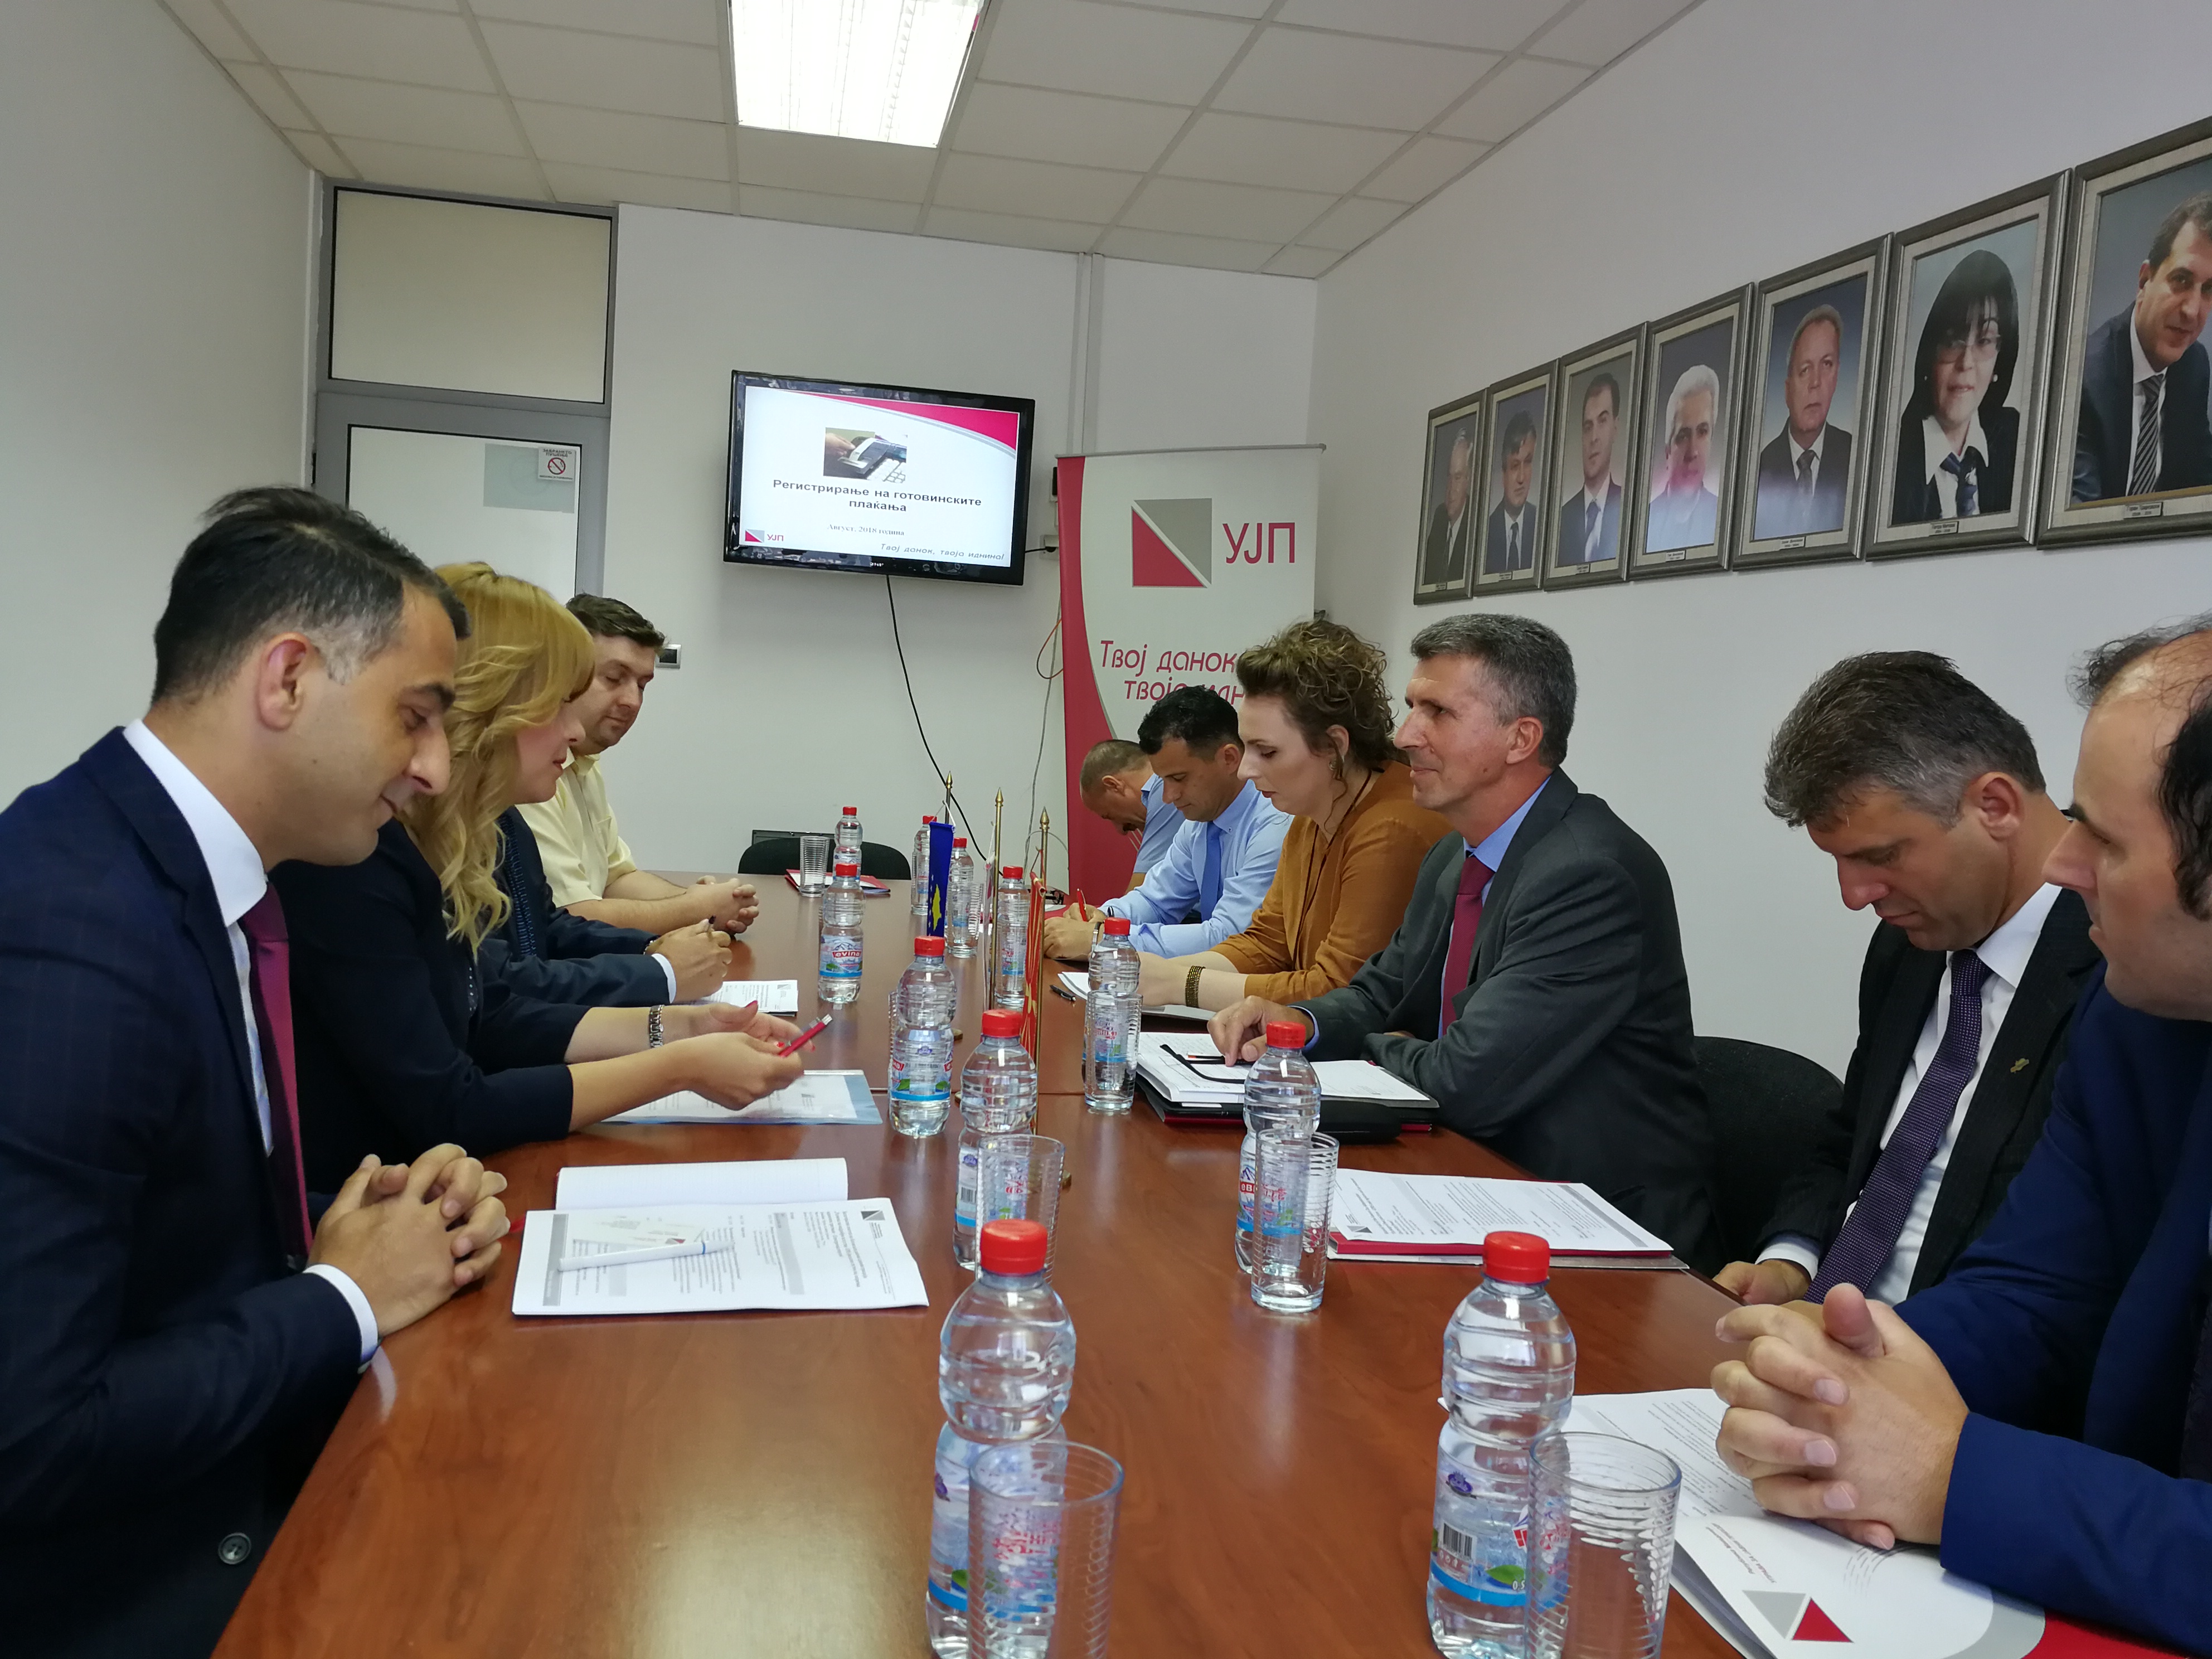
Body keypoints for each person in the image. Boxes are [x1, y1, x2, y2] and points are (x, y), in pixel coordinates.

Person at [0, 489, 510, 1658]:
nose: (435, 769)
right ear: (286, 681)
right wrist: (343, 1296)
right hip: (131, 1583)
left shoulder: (180, 872)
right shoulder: (75, 939)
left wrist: (355, 1228)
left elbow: (153, 1237)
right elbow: (31, 1437)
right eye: (415, 719)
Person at [1711, 614, 2212, 1652]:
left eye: (2107, 841)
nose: (2064, 863)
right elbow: (2041, 1288)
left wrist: (1950, 1475)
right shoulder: (2145, 1013)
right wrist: (1835, 1370)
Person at [1211, 615, 1723, 1264]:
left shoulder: (1587, 875)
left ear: (1520, 738)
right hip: (1477, 1184)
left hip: (1600, 1229)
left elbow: (1463, 1083)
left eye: (1437, 713)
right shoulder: (1454, 856)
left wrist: (1378, 1047)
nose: (1404, 736)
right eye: (1410, 708)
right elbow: (1378, 994)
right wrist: (1299, 1024)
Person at [276, 565, 805, 1190]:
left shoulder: (437, 843)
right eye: (557, 705)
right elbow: (452, 1106)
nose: (575, 730)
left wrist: (683, 1027)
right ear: (489, 707)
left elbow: (493, 1015)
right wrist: (679, 1066)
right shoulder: (358, 859)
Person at [1714, 653, 2097, 1306]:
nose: (1854, 895)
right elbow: (1852, 1139)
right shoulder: (1909, 945)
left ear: (1995, 806)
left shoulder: (2116, 972)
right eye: (1839, 862)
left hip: (1957, 1344)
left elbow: (2076, 1263)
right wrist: (1790, 1260)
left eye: (1880, 856)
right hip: (1823, 1322)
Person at [1128, 620, 1452, 1012]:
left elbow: (1339, 991)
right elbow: (1266, 943)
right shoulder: (1308, 815)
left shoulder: (1390, 830)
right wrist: (1154, 974)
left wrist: (1181, 983)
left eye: (1267, 752)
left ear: (1334, 746)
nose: (1245, 770)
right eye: (1246, 748)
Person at [518, 593, 758, 937]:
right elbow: (573, 916)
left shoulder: (586, 760)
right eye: (614, 678)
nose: (633, 701)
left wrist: (703, 901)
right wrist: (698, 909)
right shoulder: (529, 772)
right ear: (564, 675)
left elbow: (617, 878)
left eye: (642, 686)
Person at [1041, 686, 1288, 963]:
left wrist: (1101, 939)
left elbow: (1230, 937)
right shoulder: (1198, 823)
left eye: (1179, 779)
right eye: (1163, 780)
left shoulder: (1275, 823)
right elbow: (1155, 901)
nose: (1168, 797)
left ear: (1229, 759)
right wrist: (1104, 916)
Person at [481, 800, 731, 1006]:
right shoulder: (465, 839)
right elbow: (500, 984)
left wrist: (651, 947)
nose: (569, 754)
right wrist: (659, 973)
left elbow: (549, 926)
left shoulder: (508, 820)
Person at [2072, 193, 2212, 502]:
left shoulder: (2195, 365)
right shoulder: (2084, 377)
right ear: (2145, 280)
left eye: (2209, 290)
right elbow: (2081, 518)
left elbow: (2200, 486)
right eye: (2182, 280)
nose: (2192, 310)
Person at [1891, 251, 2023, 523]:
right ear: (1930, 353)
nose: (1966, 363)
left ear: (2001, 358)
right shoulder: (1892, 455)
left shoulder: (2017, 439)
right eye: (1953, 342)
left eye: (1984, 341)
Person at [1754, 303, 1855, 539]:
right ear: (1787, 390)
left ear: (1837, 376)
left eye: (1827, 364)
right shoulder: (1760, 469)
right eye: (1805, 370)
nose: (1816, 382)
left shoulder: (1857, 456)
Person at [1075, 736, 1183, 885]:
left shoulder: (1163, 790)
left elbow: (1144, 892)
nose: (1121, 830)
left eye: (1110, 816)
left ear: (1113, 785)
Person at [1646, 363, 1723, 550]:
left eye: (1703, 432)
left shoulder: (1722, 517)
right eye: (1683, 436)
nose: (1693, 451)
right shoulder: (1646, 520)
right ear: (1668, 452)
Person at [1558, 372, 1624, 565]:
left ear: (1615, 428)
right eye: (1588, 427)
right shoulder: (1561, 519)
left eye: (1602, 421)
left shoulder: (1628, 507)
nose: (1593, 437)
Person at [1481, 410, 1539, 574]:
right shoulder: (1485, 534)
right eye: (1514, 466)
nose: (1522, 478)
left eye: (1528, 462)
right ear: (1503, 472)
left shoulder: (1542, 526)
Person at [1422, 424, 1475, 588]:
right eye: (1449, 477)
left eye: (1458, 478)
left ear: (1469, 480)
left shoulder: (1475, 520)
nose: (1451, 488)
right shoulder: (1440, 515)